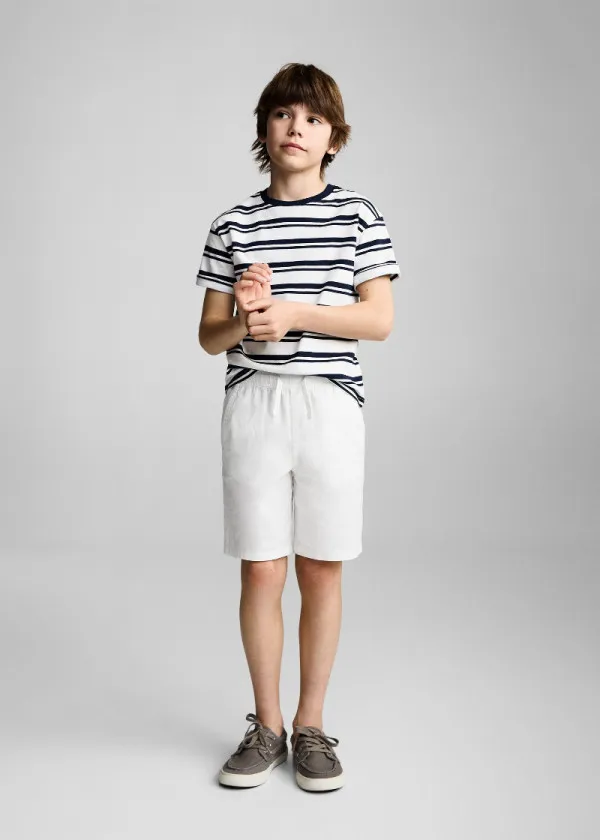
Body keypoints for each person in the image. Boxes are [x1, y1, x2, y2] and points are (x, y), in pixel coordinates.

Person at [195, 62, 401, 792]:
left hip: (329, 405)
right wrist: (249, 317)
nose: (296, 128)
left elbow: (378, 320)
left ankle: (311, 725)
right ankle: (267, 724)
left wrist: (295, 313)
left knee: (321, 565)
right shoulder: (233, 223)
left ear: (333, 139)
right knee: (261, 566)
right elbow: (210, 338)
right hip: (255, 402)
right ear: (264, 128)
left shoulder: (359, 217)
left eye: (313, 119)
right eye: (283, 114)